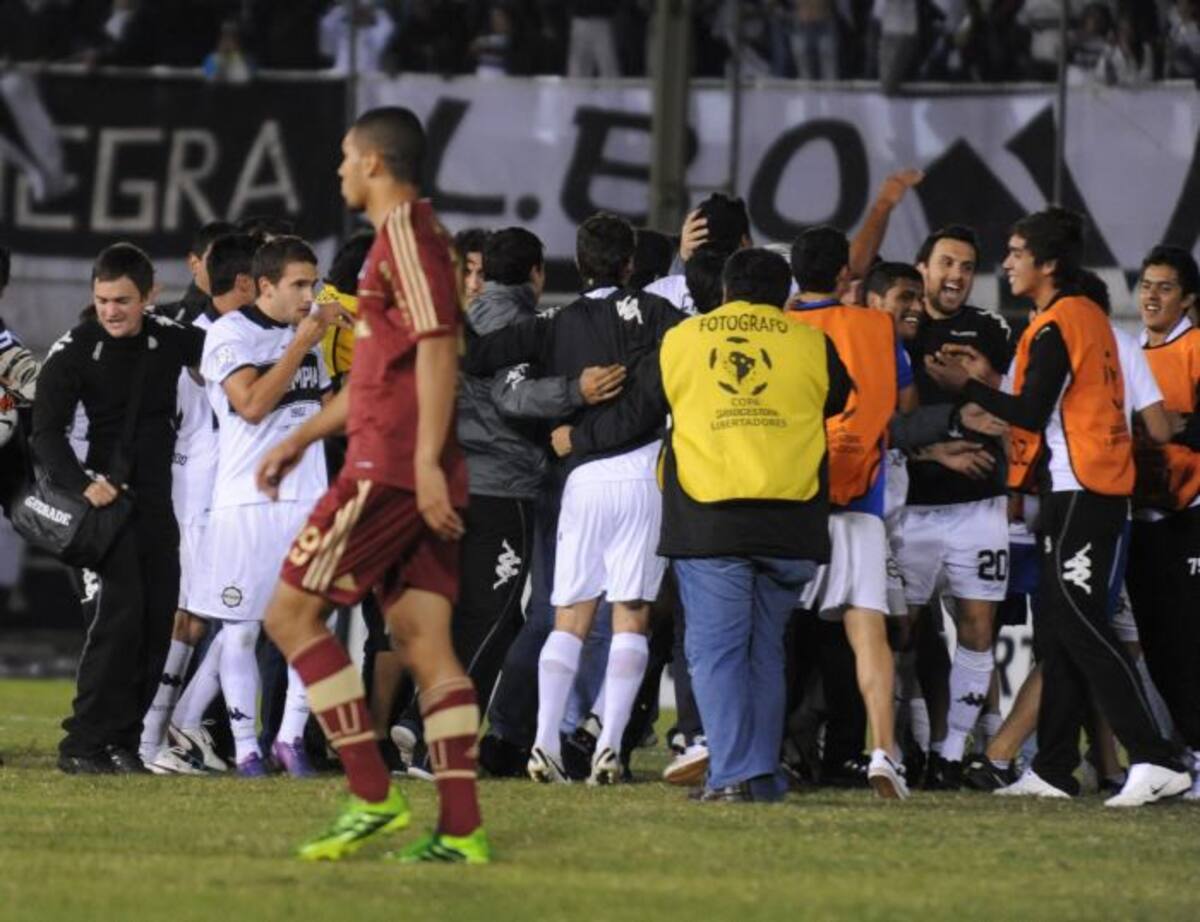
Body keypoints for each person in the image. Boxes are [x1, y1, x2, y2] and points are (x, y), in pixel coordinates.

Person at [255, 106, 488, 863]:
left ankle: (370, 794)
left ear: (376, 165)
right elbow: (376, 377)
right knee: (426, 646)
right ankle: (460, 829)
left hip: (388, 468)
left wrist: (421, 462)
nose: (341, 171)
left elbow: (438, 351)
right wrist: (297, 436)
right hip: (405, 461)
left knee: (289, 617)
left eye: (348, 158)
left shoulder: (409, 240)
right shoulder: (409, 241)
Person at [555, 247, 851, 802]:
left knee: (716, 653)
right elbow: (837, 398)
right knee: (766, 650)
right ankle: (760, 773)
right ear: (784, 292)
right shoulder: (813, 342)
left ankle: (734, 775)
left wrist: (579, 438)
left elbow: (638, 412)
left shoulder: (684, 339)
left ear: (722, 293)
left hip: (712, 517)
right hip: (792, 518)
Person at [925, 207, 1191, 807]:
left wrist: (963, 387)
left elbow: (1027, 410)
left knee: (1080, 622)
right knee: (1065, 631)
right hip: (1081, 490)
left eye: (1017, 252)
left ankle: (1154, 756)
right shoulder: (1081, 318)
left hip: (1087, 491)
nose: (1008, 262)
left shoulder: (1057, 324)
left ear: (1047, 264)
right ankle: (1051, 767)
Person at [465, 213, 684, 785]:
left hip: (580, 479)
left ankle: (542, 744)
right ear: (630, 265)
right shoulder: (665, 318)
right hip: (643, 475)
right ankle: (607, 745)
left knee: (569, 615)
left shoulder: (554, 323)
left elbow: (480, 357)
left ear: (578, 265)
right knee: (631, 615)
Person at [31, 243, 206, 774]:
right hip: (104, 511)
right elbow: (45, 435)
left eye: (123, 300)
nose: (111, 310)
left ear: (149, 296)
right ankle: (82, 743)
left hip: (158, 505)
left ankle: (122, 742)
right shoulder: (74, 350)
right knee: (119, 621)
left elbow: (225, 358)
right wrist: (82, 486)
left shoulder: (172, 340)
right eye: (103, 299)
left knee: (157, 624)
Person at [191, 236, 335, 777]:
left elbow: (322, 410)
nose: (309, 294)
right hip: (247, 502)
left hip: (308, 497)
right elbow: (250, 405)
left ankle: (291, 739)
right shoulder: (229, 334)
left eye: (313, 284)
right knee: (242, 630)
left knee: (309, 623)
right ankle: (246, 745)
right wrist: (301, 342)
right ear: (266, 286)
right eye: (298, 284)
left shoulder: (312, 339)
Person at [786, 227, 917, 799]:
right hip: (864, 503)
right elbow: (902, 404)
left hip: (796, 501)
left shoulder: (784, 329)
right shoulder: (879, 326)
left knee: (775, 637)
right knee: (869, 636)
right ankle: (884, 752)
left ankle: (760, 751)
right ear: (846, 275)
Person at [140, 233, 262, 771]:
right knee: (191, 614)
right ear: (246, 282)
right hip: (202, 489)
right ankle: (154, 738)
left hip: (230, 488)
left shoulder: (228, 332)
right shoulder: (204, 338)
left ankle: (183, 723)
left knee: (241, 613)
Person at [899, 224, 1013, 788]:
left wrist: (978, 378)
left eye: (966, 267)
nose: (956, 277)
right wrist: (935, 450)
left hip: (979, 507)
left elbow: (1018, 402)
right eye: (946, 263)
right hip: (912, 507)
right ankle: (911, 748)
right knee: (903, 633)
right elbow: (886, 419)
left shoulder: (990, 328)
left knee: (976, 627)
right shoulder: (899, 328)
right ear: (923, 267)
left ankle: (949, 755)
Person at [1125, 245, 1200, 800]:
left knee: (1189, 639)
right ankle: (1187, 752)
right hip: (1141, 516)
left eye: (1165, 287)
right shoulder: (1129, 354)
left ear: (1188, 299)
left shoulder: (1196, 348)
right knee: (1158, 644)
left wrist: (1178, 427)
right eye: (1147, 285)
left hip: (1190, 515)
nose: (1151, 295)